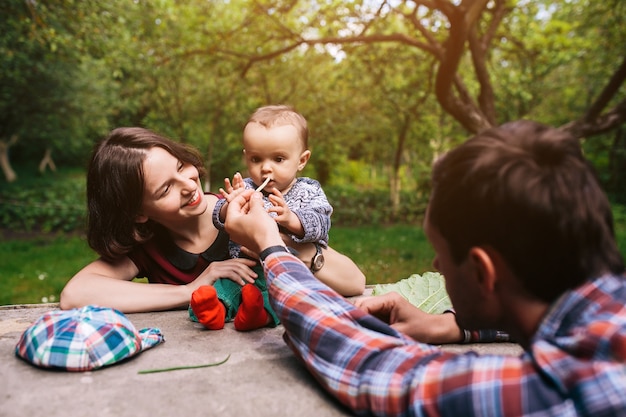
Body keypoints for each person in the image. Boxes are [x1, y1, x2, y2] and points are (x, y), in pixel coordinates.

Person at [221, 120, 626, 416]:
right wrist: (453, 326)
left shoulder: (555, 394)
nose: (435, 265)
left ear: (484, 273)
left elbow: (371, 366)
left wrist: (271, 246)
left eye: (440, 256)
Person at [58, 127, 346, 331]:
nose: (188, 184)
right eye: (166, 188)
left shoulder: (241, 213)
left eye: (181, 166)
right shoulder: (150, 246)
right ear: (139, 214)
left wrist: (274, 242)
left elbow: (355, 281)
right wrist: (191, 289)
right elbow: (76, 294)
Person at [212, 104, 365, 296]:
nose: (266, 168)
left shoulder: (307, 190)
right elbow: (218, 218)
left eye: (278, 159)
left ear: (301, 160)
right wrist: (229, 206)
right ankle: (214, 306)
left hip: (294, 270)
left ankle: (261, 312)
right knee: (224, 289)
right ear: (246, 157)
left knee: (288, 295)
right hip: (247, 269)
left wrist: (292, 219)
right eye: (256, 159)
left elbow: (321, 223)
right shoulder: (245, 187)